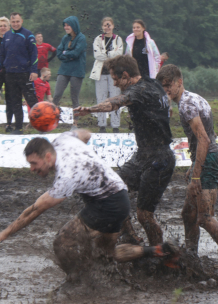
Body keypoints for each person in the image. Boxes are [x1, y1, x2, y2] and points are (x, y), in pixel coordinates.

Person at [0, 131, 134, 280]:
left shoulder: (66, 176)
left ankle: (79, 282)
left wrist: (5, 233)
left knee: (63, 242)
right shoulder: (64, 140)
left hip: (108, 205)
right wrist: (84, 159)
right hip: (119, 196)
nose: (32, 169)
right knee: (106, 255)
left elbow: (35, 210)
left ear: (48, 157)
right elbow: (86, 134)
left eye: (34, 164)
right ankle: (152, 252)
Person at [75, 55, 175, 248]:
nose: (114, 83)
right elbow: (123, 98)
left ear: (126, 75)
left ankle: (160, 254)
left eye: (115, 78)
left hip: (160, 159)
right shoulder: (152, 83)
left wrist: (91, 109)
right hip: (143, 155)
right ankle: (130, 236)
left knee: (144, 215)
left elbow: (118, 101)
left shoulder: (140, 90)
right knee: (111, 190)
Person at [153, 64, 218, 269]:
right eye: (162, 86)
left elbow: (203, 139)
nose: (166, 90)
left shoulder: (186, 105)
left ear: (180, 82)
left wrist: (196, 175)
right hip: (206, 159)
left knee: (204, 218)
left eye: (169, 85)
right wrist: (195, 164)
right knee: (188, 213)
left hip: (210, 160)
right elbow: (206, 136)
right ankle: (191, 256)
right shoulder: (194, 98)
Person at [0, 12, 39, 135]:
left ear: (21, 21)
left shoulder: (28, 35)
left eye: (17, 21)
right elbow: (2, 55)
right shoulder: (7, 35)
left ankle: (41, 126)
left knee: (32, 101)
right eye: (13, 22)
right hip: (10, 73)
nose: (15, 24)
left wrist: (34, 70)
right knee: (15, 102)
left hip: (24, 73)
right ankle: (18, 128)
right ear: (10, 23)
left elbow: (34, 54)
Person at [89, 17, 123, 133]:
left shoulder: (118, 39)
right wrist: (110, 54)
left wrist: (107, 54)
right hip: (101, 73)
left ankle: (115, 125)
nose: (107, 27)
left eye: (109, 25)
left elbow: (119, 54)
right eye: (105, 25)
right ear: (102, 27)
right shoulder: (98, 39)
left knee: (115, 99)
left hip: (114, 74)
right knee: (101, 99)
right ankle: (102, 125)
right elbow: (97, 55)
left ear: (113, 26)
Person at [53, 16, 86, 130]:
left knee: (74, 98)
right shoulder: (64, 38)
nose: (65, 27)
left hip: (77, 71)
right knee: (57, 95)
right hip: (64, 69)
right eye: (64, 25)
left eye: (68, 25)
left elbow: (76, 53)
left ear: (74, 25)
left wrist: (65, 53)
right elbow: (59, 52)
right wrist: (68, 55)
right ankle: (52, 120)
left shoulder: (81, 38)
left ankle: (75, 124)